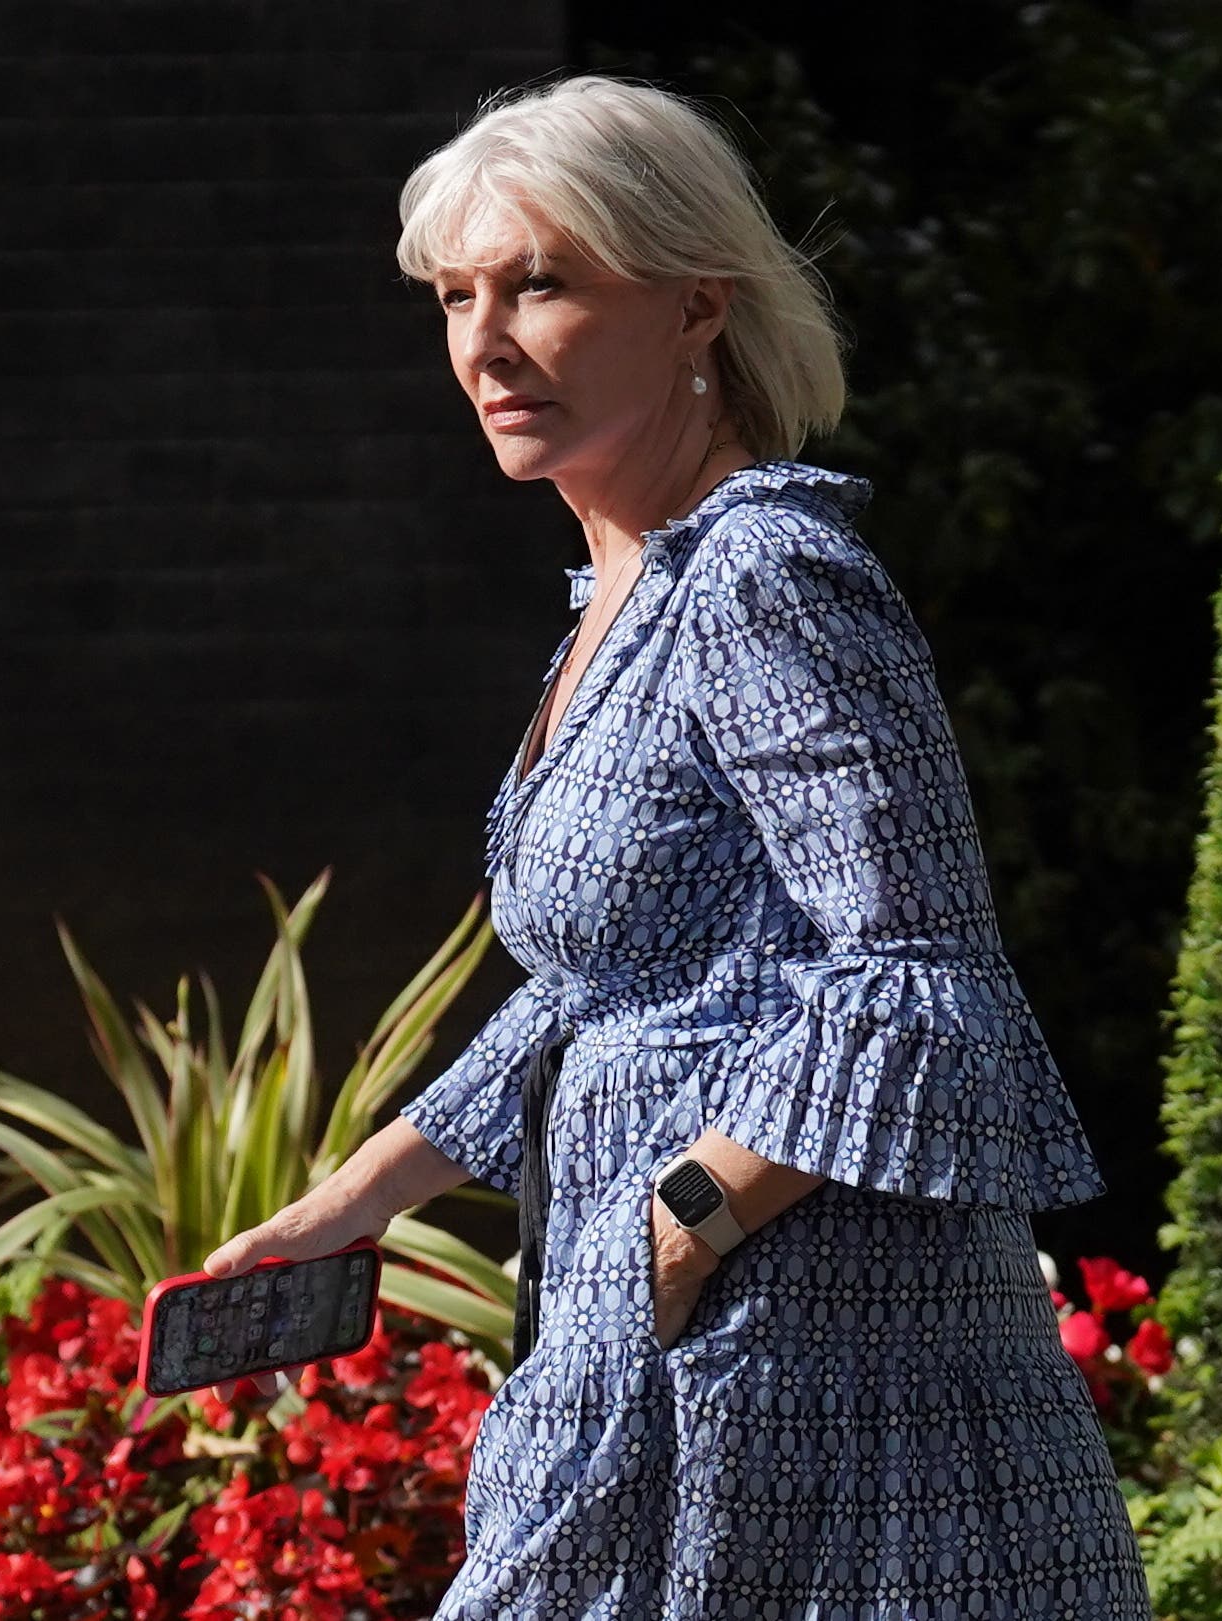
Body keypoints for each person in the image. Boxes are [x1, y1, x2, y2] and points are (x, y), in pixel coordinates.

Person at [200, 73, 1154, 1618]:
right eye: (457, 296)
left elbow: (917, 976)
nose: (487, 343)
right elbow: (607, 981)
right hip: (662, 1322)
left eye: (544, 284)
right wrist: (359, 1198)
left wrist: (679, 1226)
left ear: (698, 305)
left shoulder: (766, 578)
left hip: (805, 1360)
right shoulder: (625, 591)